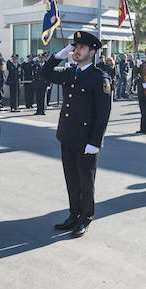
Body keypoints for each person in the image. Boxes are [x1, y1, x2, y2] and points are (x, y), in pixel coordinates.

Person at [42, 31, 111, 238]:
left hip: (86, 140)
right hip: (67, 135)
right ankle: (73, 214)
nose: (76, 51)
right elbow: (45, 73)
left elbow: (103, 113)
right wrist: (58, 55)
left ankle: (85, 217)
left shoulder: (100, 77)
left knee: (85, 181)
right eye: (75, 47)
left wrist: (96, 141)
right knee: (71, 179)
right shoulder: (71, 72)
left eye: (81, 47)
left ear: (93, 51)